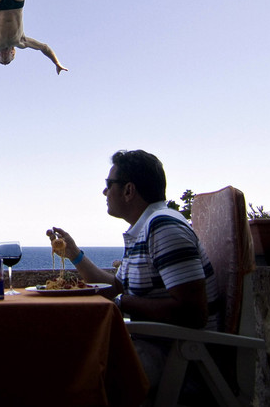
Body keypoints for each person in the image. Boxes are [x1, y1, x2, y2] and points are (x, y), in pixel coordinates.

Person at [47, 150, 219, 395]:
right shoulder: (144, 229)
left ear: (128, 190)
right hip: (156, 346)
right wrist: (74, 255)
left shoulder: (164, 227)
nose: (104, 192)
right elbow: (116, 287)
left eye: (109, 185)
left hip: (181, 358)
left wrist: (121, 303)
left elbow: (193, 313)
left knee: (71, 372)